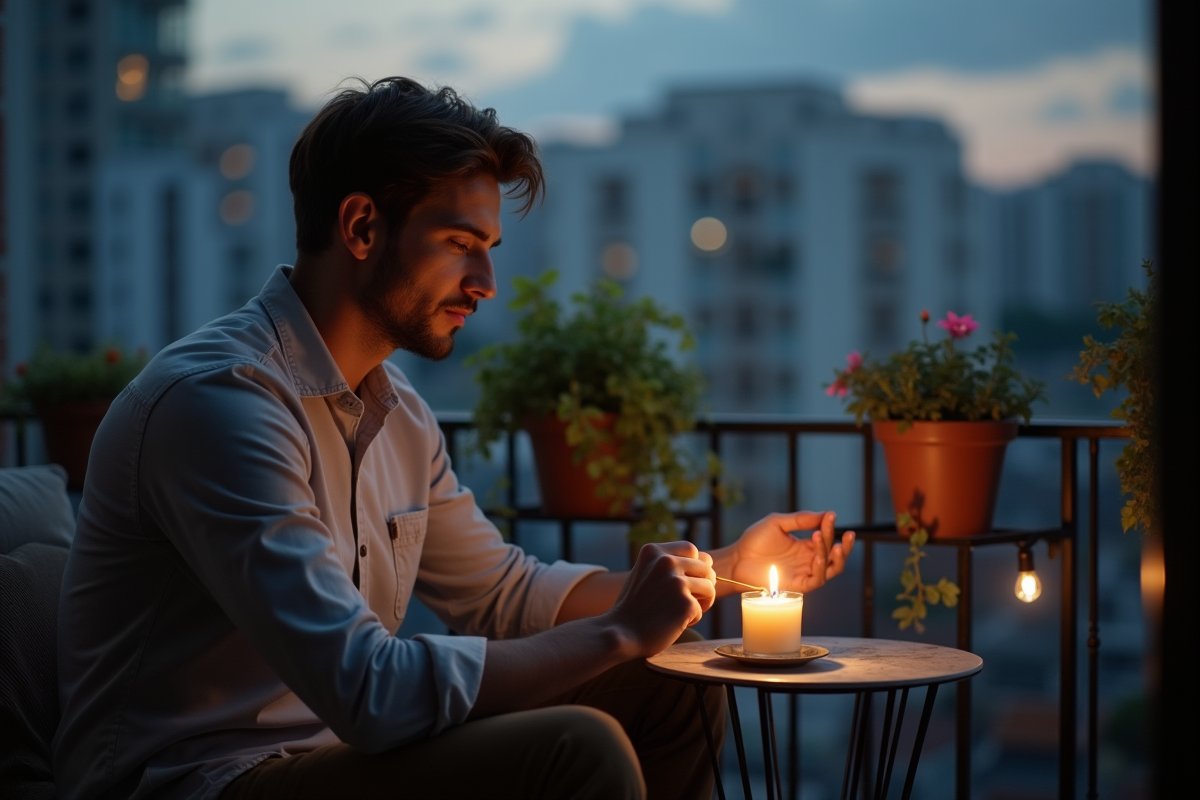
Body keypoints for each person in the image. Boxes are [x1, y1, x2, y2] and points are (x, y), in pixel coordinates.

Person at [52, 77, 855, 800]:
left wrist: (724, 574)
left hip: (332, 755)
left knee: (675, 682)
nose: (487, 285)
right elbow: (369, 689)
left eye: (490, 251)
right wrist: (616, 631)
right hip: (199, 780)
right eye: (460, 245)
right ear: (362, 227)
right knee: (577, 747)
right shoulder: (223, 404)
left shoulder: (396, 409)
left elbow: (503, 594)